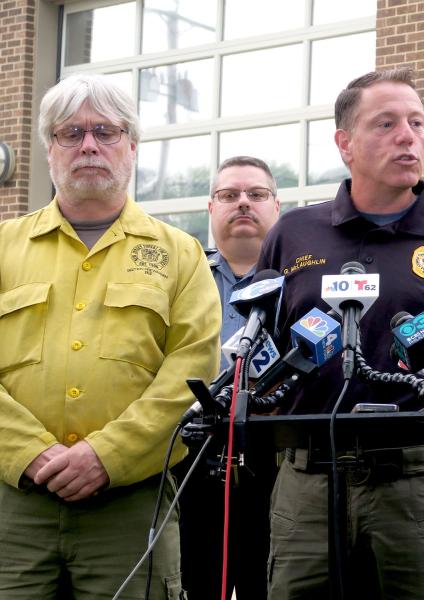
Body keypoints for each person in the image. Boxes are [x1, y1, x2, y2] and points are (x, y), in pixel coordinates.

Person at [256, 67, 424, 599]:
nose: (408, 136)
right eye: (386, 124)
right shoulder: (293, 234)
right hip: (309, 489)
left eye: (417, 122)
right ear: (345, 143)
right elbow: (262, 361)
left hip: (423, 489)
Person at [0, 74, 220, 598]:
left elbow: (191, 372)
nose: (89, 145)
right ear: (49, 149)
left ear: (133, 145)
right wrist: (27, 451)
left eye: (105, 130)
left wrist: (108, 456)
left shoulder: (179, 253)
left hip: (132, 506)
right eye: (70, 133)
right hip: (13, 507)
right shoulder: (4, 247)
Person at [176, 156, 281, 599]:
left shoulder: (300, 282)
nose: (243, 203)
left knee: (269, 584)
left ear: (276, 207)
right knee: (197, 582)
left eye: (256, 195)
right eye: (229, 195)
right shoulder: (182, 279)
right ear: (210, 208)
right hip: (194, 458)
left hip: (277, 462)